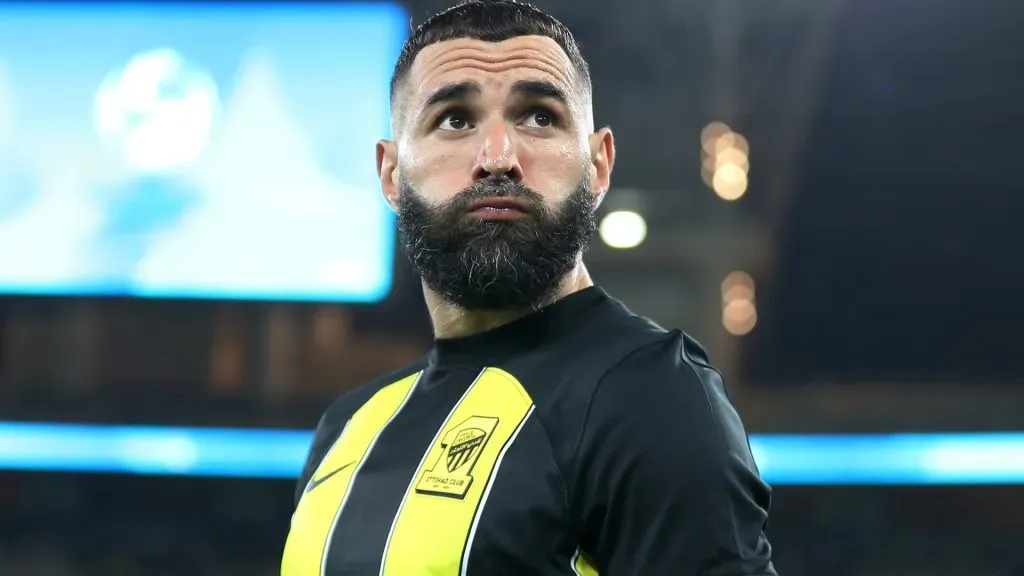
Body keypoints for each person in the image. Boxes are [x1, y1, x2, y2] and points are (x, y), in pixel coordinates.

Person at [280, 1, 778, 575]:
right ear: (391, 174)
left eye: (539, 116)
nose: (498, 158)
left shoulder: (651, 399)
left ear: (598, 166)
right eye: (454, 119)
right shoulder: (347, 426)